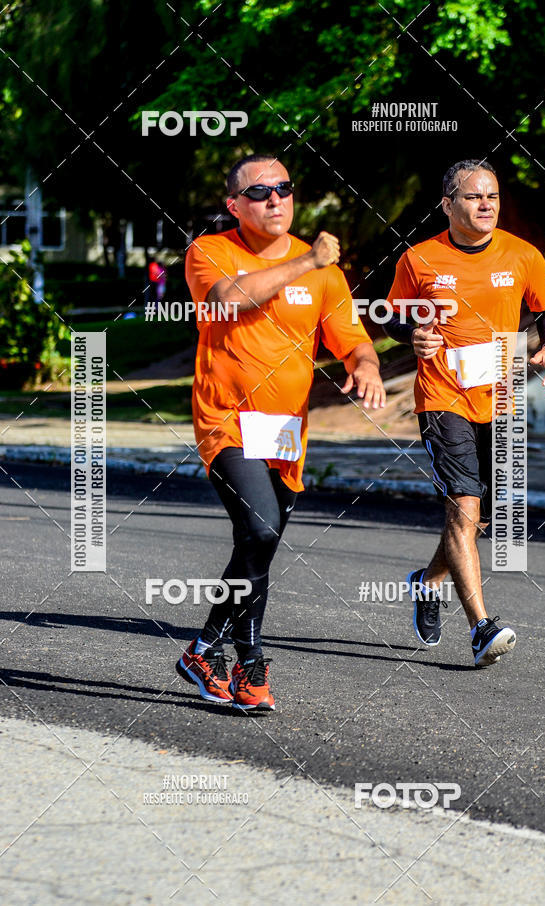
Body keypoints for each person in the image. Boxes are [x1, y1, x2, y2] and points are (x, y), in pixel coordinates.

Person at [178, 153, 385, 710]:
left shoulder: (325, 273)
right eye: (260, 191)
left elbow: (353, 341)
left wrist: (366, 367)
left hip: (286, 430)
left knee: (258, 545)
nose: (275, 198)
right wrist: (307, 260)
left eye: (284, 188)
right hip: (226, 420)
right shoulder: (211, 251)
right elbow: (227, 299)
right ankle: (250, 664)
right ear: (234, 205)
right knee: (262, 528)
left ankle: (203, 651)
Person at [385, 159, 545, 667]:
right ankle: (482, 627)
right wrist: (413, 336)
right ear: (448, 204)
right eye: (473, 197)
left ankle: (427, 583)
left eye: (493, 197)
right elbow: (394, 316)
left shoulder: (522, 254)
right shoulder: (419, 258)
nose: (486, 205)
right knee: (463, 508)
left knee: (478, 517)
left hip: (501, 396)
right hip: (443, 397)